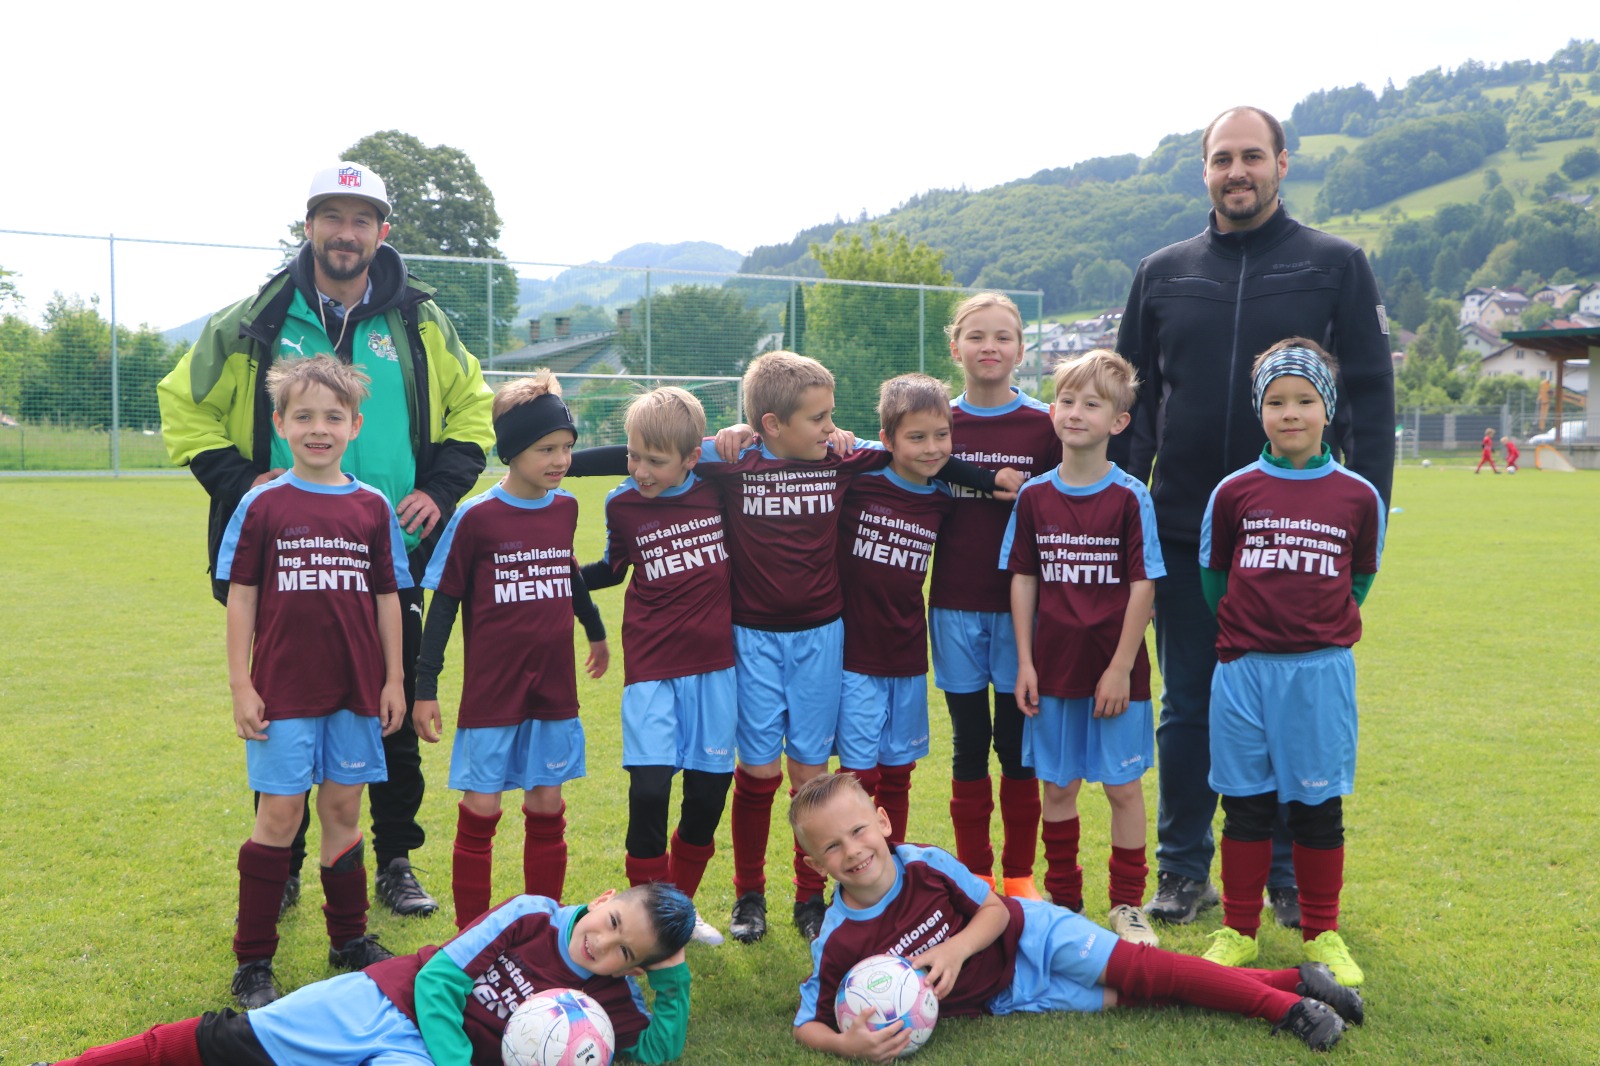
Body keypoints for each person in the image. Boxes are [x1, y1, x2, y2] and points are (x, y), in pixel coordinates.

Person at [158, 162, 496, 920]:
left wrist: (438, 492)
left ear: (382, 232)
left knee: (393, 707)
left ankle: (395, 858)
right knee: (281, 704)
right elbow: (181, 401)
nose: (347, 233)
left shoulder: (420, 322)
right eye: (332, 217)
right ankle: (279, 865)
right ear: (308, 225)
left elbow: (473, 411)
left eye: (362, 218)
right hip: (282, 562)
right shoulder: (257, 316)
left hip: (387, 557)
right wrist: (239, 482)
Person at [1112, 107, 1395, 927]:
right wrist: (1124, 518)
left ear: (1281, 163)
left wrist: (1359, 525)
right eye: (1221, 159)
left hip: (1297, 542)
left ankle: (1280, 876)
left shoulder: (1336, 264)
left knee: (1284, 709)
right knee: (1191, 704)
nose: (1237, 172)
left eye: (1252, 157)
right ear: (1204, 170)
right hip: (1182, 529)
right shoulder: (1161, 271)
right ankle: (1182, 869)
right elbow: (1130, 407)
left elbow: (1371, 402)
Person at [788, 773, 1362, 1060]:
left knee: (1147, 973)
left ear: (884, 823)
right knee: (1135, 997)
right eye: (832, 847)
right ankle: (1297, 980)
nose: (853, 850)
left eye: (859, 830)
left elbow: (993, 909)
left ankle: (1287, 1008)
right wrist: (847, 1047)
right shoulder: (838, 942)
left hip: (1033, 933)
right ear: (816, 864)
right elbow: (806, 1023)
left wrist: (956, 949)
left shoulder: (926, 866)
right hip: (1008, 995)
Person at [215, 355, 410, 1007]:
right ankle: (254, 959)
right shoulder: (262, 502)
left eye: (333, 417)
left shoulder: (371, 506)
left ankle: (349, 941)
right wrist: (242, 686)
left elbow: (388, 597)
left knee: (343, 809)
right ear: (280, 424)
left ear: (355, 426)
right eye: (304, 416)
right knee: (279, 813)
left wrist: (394, 682)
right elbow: (241, 596)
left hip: (355, 689)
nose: (318, 428)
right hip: (283, 689)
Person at [1196, 340, 1384, 987]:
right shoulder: (1234, 492)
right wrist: (1252, 635)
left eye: (1304, 400)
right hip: (1245, 668)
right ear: (1261, 410)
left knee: (1316, 807)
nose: (1290, 413)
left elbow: (1358, 579)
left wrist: (1314, 632)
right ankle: (1239, 931)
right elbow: (1214, 579)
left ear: (1326, 408)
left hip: (1319, 672)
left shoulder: (1357, 496)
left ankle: (1323, 932)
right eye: (1276, 401)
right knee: (1243, 803)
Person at [36, 884, 696, 1066]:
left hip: (421, 1060)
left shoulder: (608, 1007)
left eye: (626, 954)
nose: (603, 944)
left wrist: (673, 975)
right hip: (382, 1002)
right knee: (229, 1041)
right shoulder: (531, 916)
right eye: (613, 922)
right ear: (606, 896)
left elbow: (658, 1050)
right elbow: (440, 979)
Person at [413, 373, 608, 927]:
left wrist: (593, 629)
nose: (560, 460)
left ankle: (544, 925)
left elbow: (567, 576)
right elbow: (445, 603)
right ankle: (470, 937)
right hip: (491, 696)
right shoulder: (476, 517)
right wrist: (425, 690)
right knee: (482, 811)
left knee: (548, 807)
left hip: (552, 690)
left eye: (567, 448)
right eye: (546, 449)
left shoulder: (564, 508)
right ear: (512, 451)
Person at [1002, 351, 1162, 947]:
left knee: (1122, 788)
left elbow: (1144, 583)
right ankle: (1064, 903)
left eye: (1092, 403)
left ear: (1117, 422)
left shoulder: (1129, 497)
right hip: (1053, 668)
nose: (1075, 412)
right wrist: (1024, 661)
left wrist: (1121, 666)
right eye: (1066, 400)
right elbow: (1023, 578)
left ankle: (1127, 906)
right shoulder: (1036, 497)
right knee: (1059, 788)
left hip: (1116, 673)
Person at [576, 386, 738, 948]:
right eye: (633, 456)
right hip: (650, 664)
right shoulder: (621, 503)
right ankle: (648, 918)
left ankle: (679, 914)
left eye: (655, 460)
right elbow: (614, 568)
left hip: (717, 667)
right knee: (648, 791)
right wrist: (557, 571)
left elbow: (750, 449)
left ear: (693, 458)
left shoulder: (719, 487)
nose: (640, 470)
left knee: (707, 797)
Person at [930, 293, 1061, 900]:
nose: (990, 347)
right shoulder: (937, 421)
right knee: (967, 741)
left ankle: (1019, 874)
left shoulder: (1044, 425)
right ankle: (976, 872)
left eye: (1003, 337)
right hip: (953, 604)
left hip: (1020, 612)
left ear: (1021, 350)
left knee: (1016, 743)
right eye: (976, 336)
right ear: (955, 347)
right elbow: (894, 454)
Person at [833, 374, 958, 842]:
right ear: (886, 439)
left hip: (907, 655)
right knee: (857, 778)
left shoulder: (942, 503)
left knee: (899, 773)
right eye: (917, 437)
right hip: (855, 656)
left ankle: (894, 864)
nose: (932, 447)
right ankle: (854, 875)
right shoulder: (858, 482)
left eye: (941, 435)